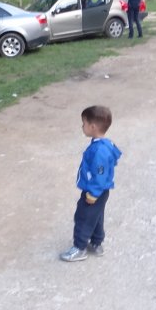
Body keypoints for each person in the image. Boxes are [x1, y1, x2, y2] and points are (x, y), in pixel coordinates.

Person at [60, 105, 122, 262]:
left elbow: (100, 174)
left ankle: (79, 248)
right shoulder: (106, 144)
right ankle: (96, 243)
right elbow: (113, 159)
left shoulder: (99, 151)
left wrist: (93, 193)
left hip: (94, 191)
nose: (82, 127)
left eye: (84, 124)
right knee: (96, 216)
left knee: (83, 217)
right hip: (102, 190)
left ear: (93, 127)